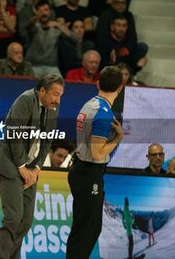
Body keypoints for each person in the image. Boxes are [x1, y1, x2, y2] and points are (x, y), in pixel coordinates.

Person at [0, 74, 65, 258]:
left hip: (29, 166)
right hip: (9, 162)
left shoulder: (53, 108)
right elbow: (14, 133)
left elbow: (47, 140)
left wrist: (36, 169)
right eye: (55, 94)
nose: (57, 100)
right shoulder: (26, 99)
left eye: (60, 95)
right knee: (13, 218)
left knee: (26, 221)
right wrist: (21, 166)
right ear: (42, 90)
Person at [66, 66, 124, 259]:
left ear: (98, 83)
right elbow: (98, 153)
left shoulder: (89, 104)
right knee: (85, 231)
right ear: (120, 88)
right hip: (89, 172)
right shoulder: (103, 113)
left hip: (83, 170)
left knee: (90, 229)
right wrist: (117, 138)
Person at [25, 0, 75, 78]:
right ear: (37, 12)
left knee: (60, 86)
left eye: (46, 10)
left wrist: (59, 26)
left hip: (51, 67)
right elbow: (29, 25)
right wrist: (36, 17)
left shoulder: (55, 27)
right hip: (33, 66)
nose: (44, 13)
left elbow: (75, 39)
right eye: (41, 11)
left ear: (50, 12)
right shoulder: (34, 26)